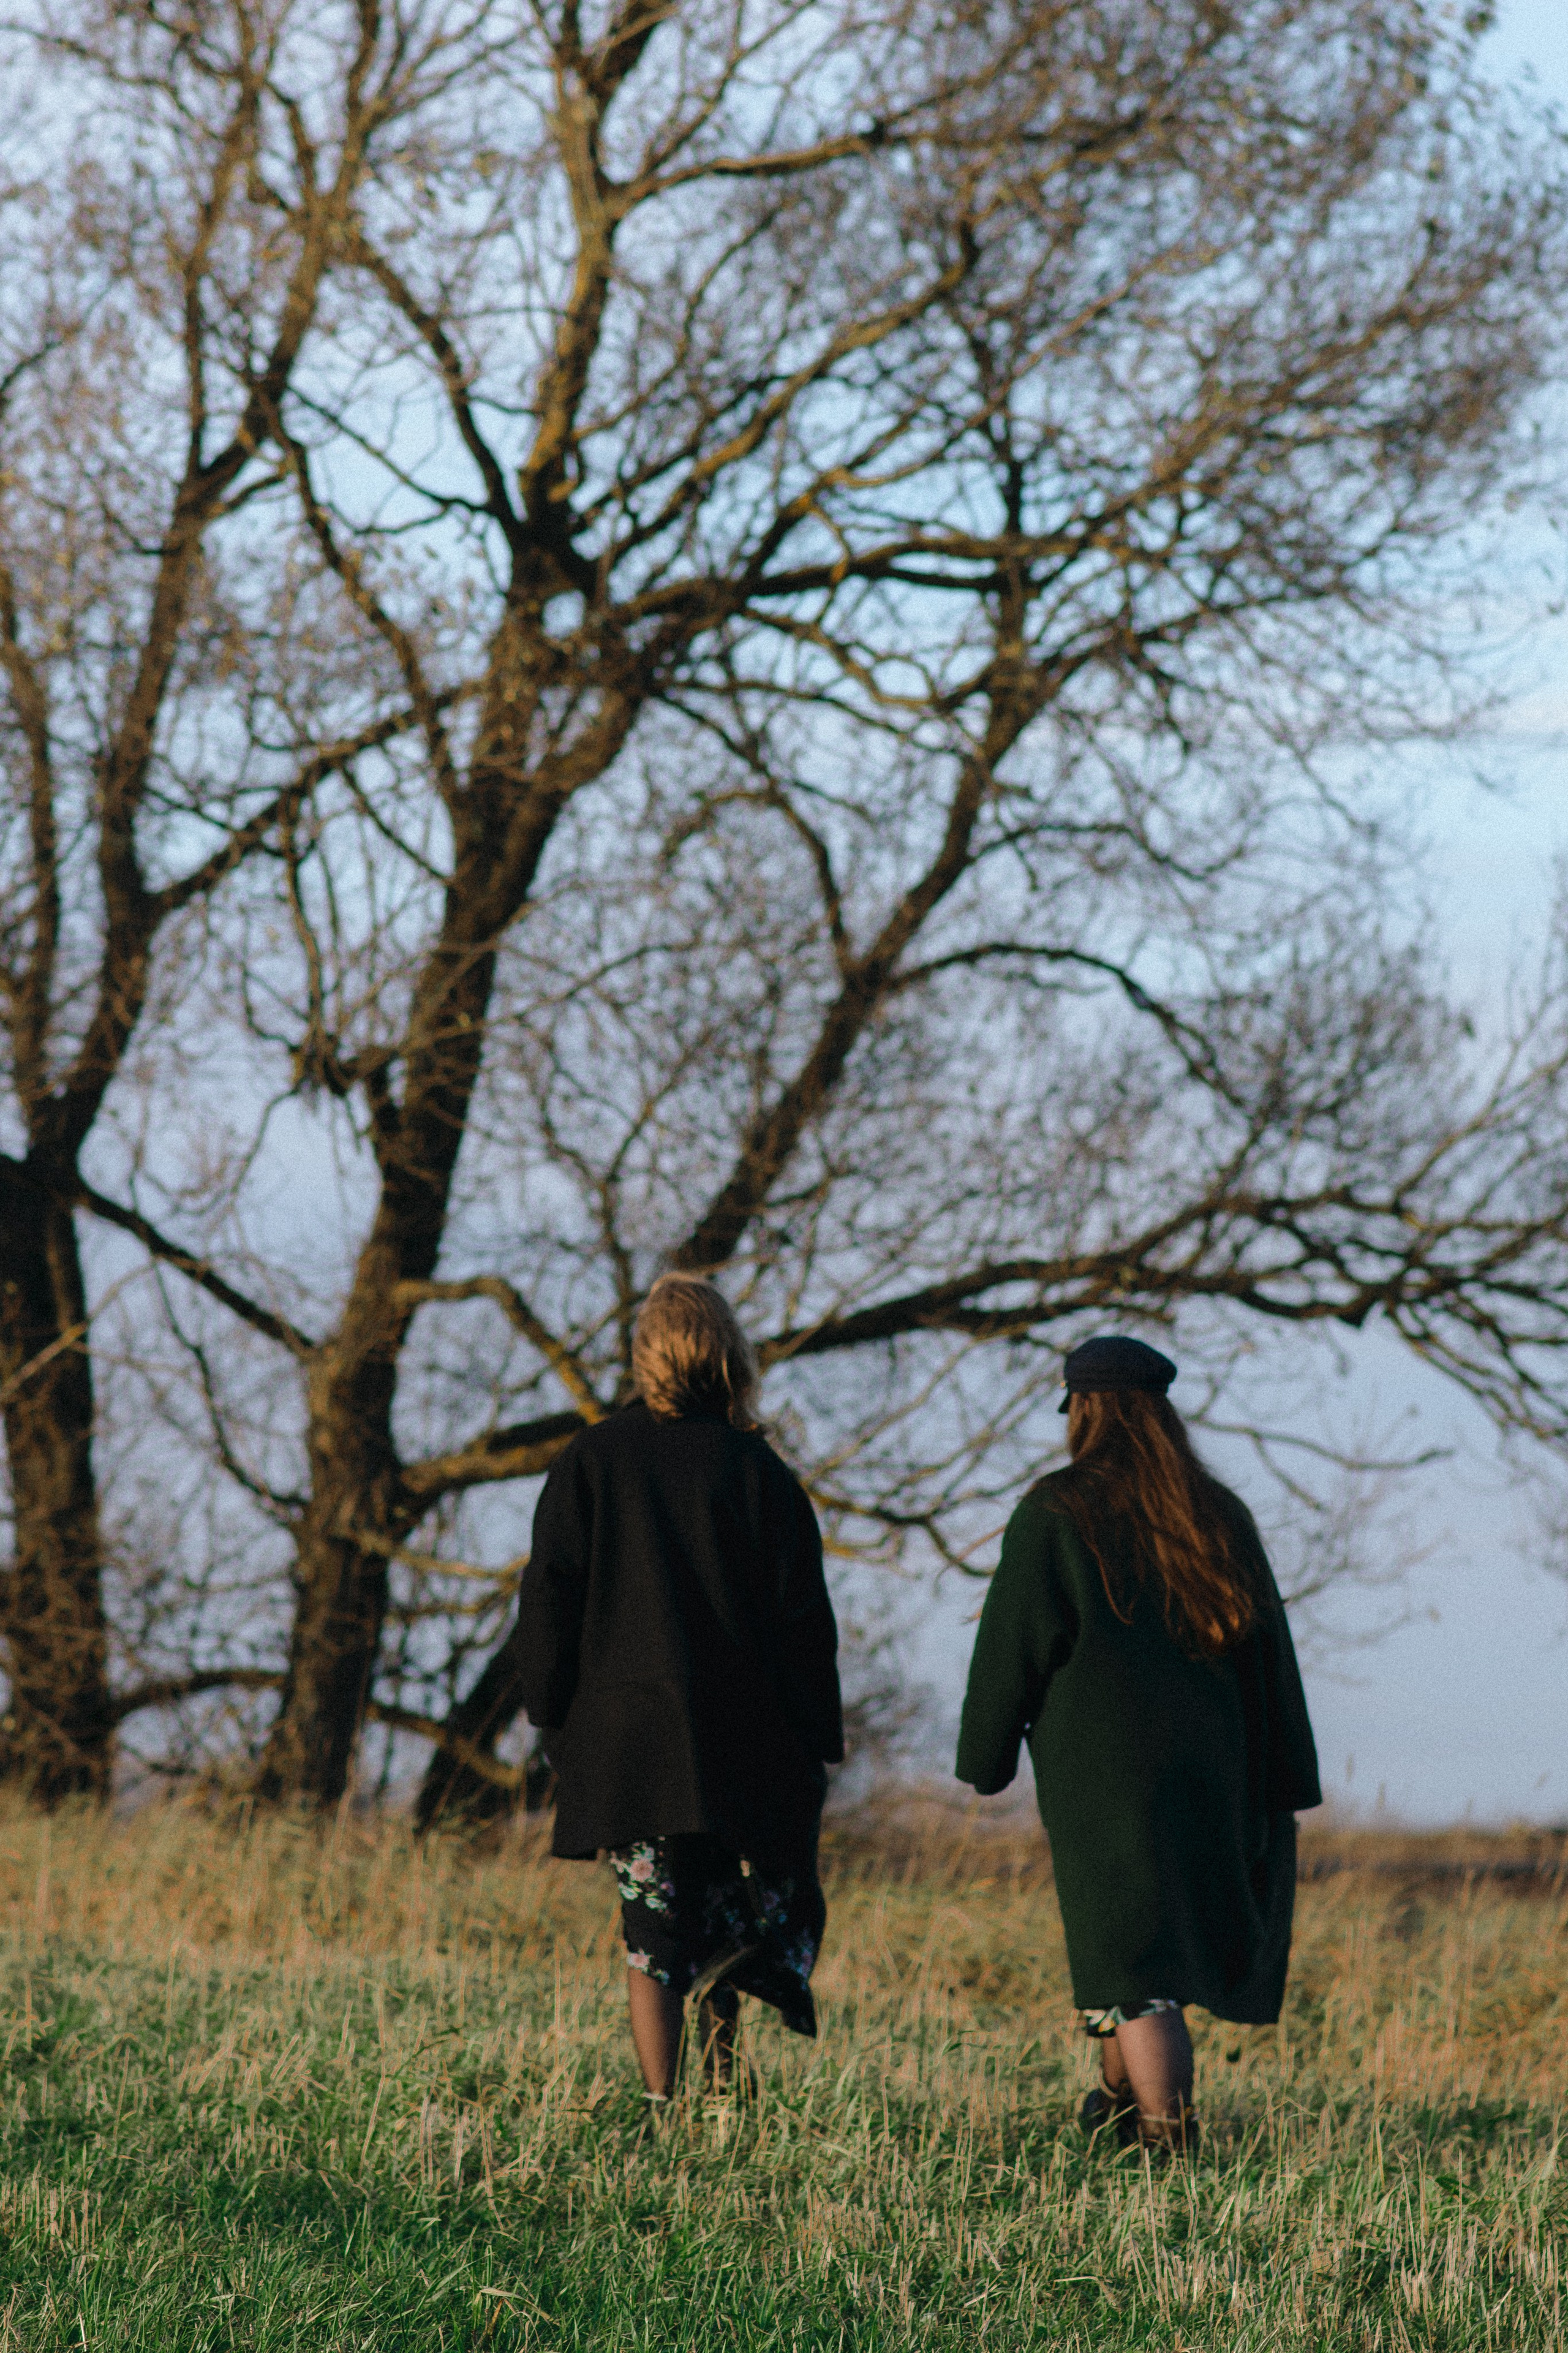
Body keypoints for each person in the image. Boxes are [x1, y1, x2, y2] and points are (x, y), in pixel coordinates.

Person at [956, 1335, 1321, 2155]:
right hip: (1210, 1772)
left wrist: (985, 1761)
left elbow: (1012, 1646)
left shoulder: (1056, 1509)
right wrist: (1285, 1779)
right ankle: (1117, 2112)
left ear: (1082, 1410)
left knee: (1135, 1968)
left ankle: (1168, 2141)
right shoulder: (1217, 1512)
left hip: (1103, 1779)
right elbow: (1273, 1660)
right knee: (1140, 1954)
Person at [513, 1273, 843, 2112]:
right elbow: (805, 1617)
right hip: (746, 1734)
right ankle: (724, 2081)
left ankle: (664, 2105)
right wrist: (815, 1735)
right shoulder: (761, 1472)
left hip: (629, 1740)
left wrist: (546, 1704)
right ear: (729, 1356)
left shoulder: (591, 1459)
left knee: (656, 1927)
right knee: (729, 1911)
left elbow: (548, 1590)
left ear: (644, 1355)